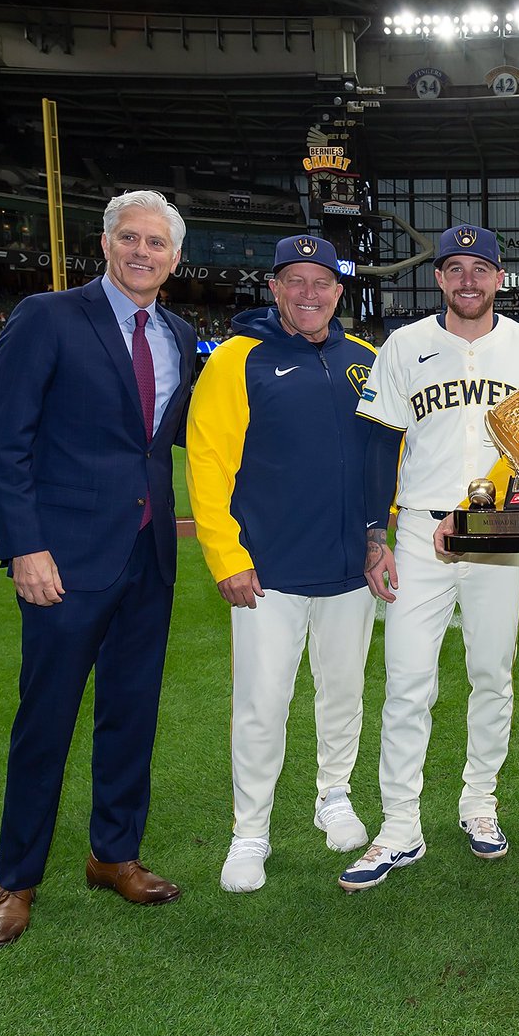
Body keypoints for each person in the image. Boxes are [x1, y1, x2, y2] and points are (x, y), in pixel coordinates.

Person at [0, 190, 196, 947]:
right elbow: (4, 441)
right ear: (105, 244)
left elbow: (161, 441)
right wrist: (24, 546)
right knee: (46, 720)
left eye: (157, 243)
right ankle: (18, 879)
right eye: (129, 238)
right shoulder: (48, 317)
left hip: (147, 554)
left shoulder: (179, 331)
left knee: (130, 715)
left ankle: (114, 854)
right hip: (64, 559)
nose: (142, 252)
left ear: (175, 257)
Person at [338, 224, 519, 891]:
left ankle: (478, 803)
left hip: (496, 534)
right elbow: (377, 447)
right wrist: (376, 537)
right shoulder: (404, 346)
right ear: (439, 279)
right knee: (406, 683)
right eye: (455, 269)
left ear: (497, 279)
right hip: (419, 536)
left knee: (492, 674)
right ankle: (400, 825)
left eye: (479, 269)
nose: (466, 280)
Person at [186, 234, 378, 893]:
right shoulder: (239, 359)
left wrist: (383, 540)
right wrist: (226, 555)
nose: (308, 293)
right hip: (266, 572)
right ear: (274, 289)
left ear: (338, 291)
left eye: (320, 282)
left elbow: (391, 463)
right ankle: (251, 831)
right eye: (294, 281)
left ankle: (334, 797)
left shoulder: (367, 359)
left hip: (349, 570)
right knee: (262, 706)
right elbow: (207, 461)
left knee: (343, 695)